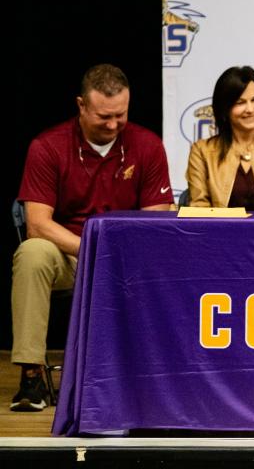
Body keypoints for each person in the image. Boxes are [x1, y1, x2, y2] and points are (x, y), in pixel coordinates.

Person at [11, 65, 174, 411]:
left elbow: (157, 218)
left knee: (169, 251)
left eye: (121, 115)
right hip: (71, 253)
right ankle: (31, 376)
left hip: (129, 258)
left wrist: (119, 251)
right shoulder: (47, 147)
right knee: (32, 252)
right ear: (82, 105)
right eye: (104, 116)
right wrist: (94, 248)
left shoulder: (147, 145)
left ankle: (159, 374)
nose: (114, 125)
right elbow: (38, 224)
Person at [186, 66, 254, 210]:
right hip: (219, 232)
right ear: (224, 109)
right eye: (240, 103)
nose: (250, 109)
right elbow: (199, 210)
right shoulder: (202, 151)